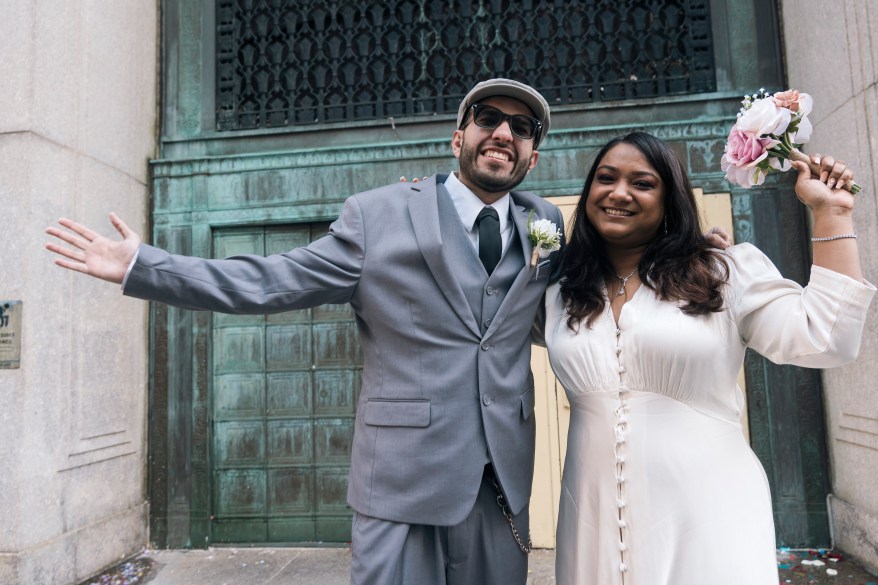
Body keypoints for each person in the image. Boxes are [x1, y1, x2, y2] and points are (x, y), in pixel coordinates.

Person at [46, 78, 563, 585]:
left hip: (501, 485)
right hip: (402, 483)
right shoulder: (378, 215)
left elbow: (558, 318)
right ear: (458, 138)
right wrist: (143, 265)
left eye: (521, 127)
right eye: (488, 119)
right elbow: (271, 281)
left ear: (532, 156)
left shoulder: (542, 224)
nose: (503, 133)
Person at [541, 131, 874, 585]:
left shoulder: (722, 273)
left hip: (710, 513)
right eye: (606, 178)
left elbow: (826, 338)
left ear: (669, 201)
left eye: (642, 183)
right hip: (592, 516)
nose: (618, 192)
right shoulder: (560, 292)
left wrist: (830, 212)